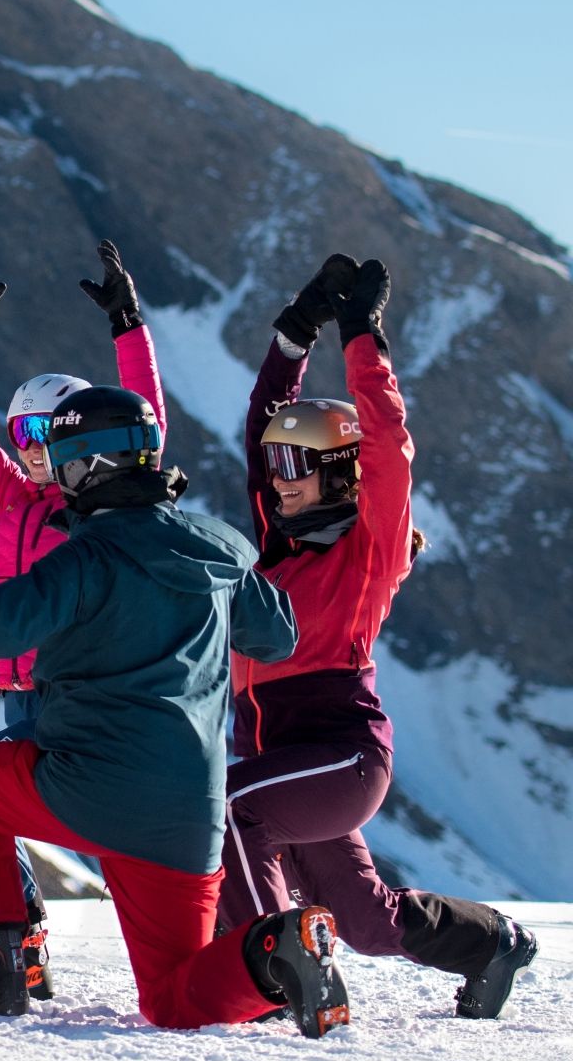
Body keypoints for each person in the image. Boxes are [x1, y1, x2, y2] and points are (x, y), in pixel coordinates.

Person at [0, 385, 355, 1038]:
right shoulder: (219, 548)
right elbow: (278, 637)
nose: (58, 481)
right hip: (186, 815)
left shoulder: (87, 559)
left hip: (90, 786)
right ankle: (277, 949)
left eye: (63, 463)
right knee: (175, 999)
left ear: (88, 467)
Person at [221, 254, 536, 1018]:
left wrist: (362, 333)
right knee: (366, 923)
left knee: (234, 807)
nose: (282, 476)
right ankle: (492, 943)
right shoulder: (281, 545)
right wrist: (295, 333)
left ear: (337, 473)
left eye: (300, 463)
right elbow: (265, 418)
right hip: (289, 764)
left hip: (342, 757)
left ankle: (274, 977)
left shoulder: (367, 553)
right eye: (278, 464)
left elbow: (389, 447)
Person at [0, 240, 167, 998]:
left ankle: (175, 928)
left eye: (50, 435)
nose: (34, 451)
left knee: (69, 813)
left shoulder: (98, 514)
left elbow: (148, 425)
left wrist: (128, 328)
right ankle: (20, 936)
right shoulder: (12, 500)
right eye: (24, 434)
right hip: (23, 694)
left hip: (78, 692)